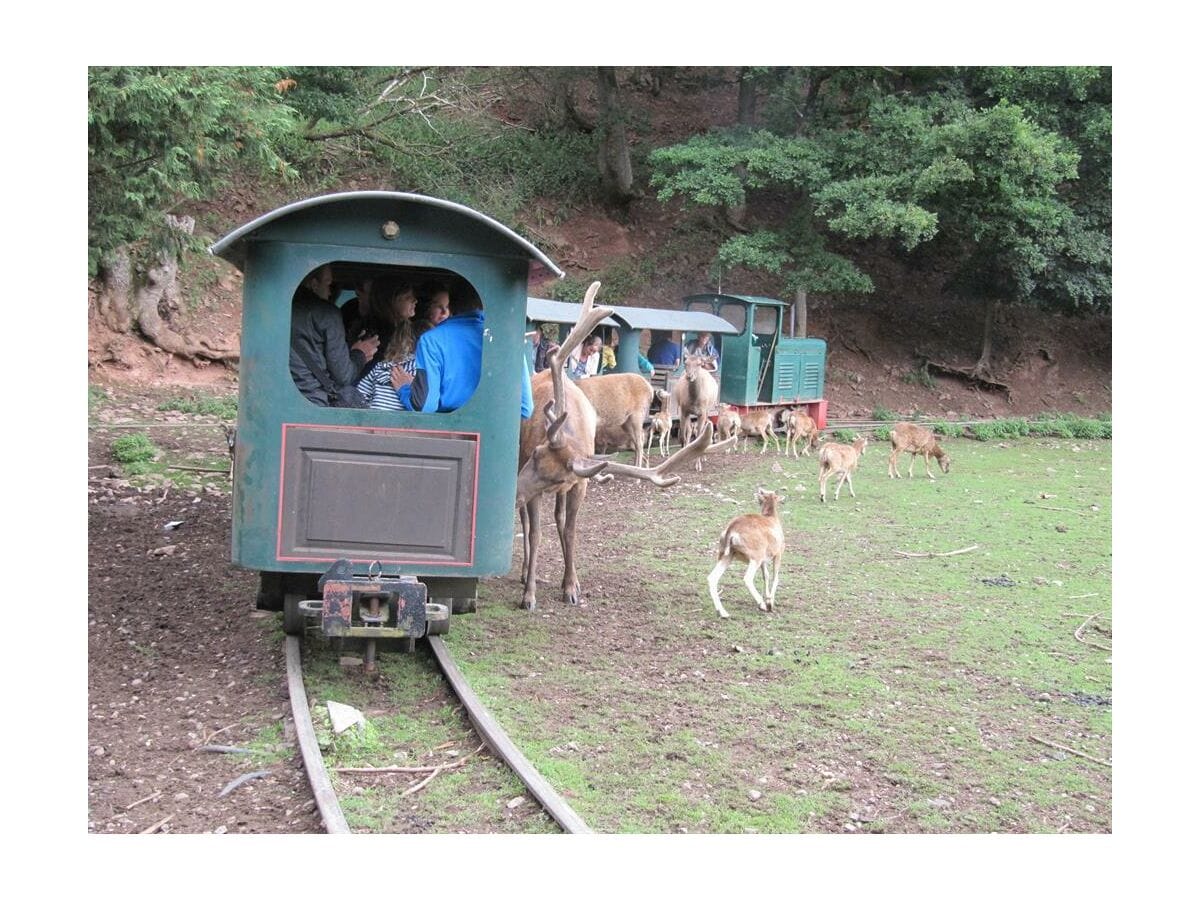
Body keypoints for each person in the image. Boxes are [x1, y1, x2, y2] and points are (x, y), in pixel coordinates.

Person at [289, 264, 378, 406]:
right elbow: (343, 376)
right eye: (328, 284)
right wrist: (359, 354)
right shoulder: (328, 314)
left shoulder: (278, 309)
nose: (330, 292)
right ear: (314, 284)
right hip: (314, 402)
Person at [394, 280, 485, 413]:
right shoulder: (506, 340)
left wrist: (404, 389)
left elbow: (425, 407)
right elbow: (524, 407)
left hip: (448, 426)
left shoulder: (431, 340)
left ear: (451, 305)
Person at [356, 279, 418, 410]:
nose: (415, 300)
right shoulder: (377, 332)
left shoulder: (402, 329)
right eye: (407, 297)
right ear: (391, 301)